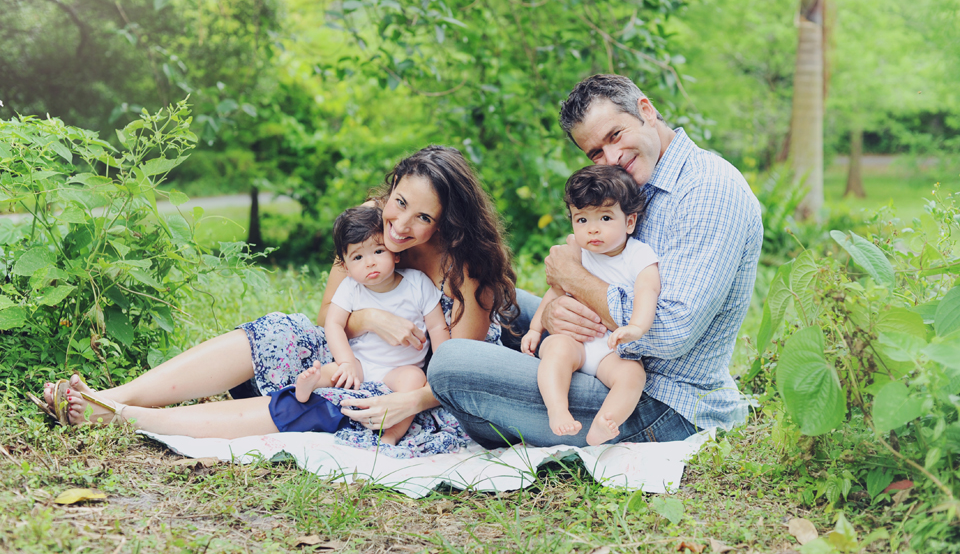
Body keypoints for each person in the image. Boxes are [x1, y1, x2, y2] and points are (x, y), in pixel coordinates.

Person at [37, 145, 518, 441]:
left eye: (423, 218)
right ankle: (111, 395)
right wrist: (370, 320)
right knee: (281, 331)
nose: (401, 225)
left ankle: (123, 417)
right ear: (390, 191)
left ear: (446, 222)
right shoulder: (369, 226)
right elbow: (331, 311)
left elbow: (461, 370)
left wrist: (404, 395)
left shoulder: (465, 268)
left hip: (415, 387)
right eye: (400, 203)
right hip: (353, 350)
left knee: (322, 399)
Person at [429, 74, 764, 448]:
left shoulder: (709, 190)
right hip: (599, 349)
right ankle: (502, 398)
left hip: (657, 400)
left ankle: (504, 412)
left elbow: (672, 333)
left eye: (615, 135)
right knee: (496, 299)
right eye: (596, 153)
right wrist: (557, 311)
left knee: (450, 363)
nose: (612, 159)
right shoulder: (634, 183)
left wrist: (575, 281)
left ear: (646, 110)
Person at [521, 165, 659, 446]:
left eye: (605, 217)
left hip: (609, 350)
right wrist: (536, 328)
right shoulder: (579, 254)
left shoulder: (639, 255)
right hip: (573, 341)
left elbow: (648, 292)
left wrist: (635, 327)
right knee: (556, 351)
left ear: (629, 222)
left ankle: (604, 422)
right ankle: (557, 409)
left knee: (632, 375)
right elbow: (554, 293)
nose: (592, 229)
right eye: (581, 219)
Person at [293, 205, 450, 445]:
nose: (370, 263)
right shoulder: (350, 288)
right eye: (358, 257)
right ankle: (306, 389)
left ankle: (393, 434)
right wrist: (346, 361)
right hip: (360, 363)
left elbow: (438, 327)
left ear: (395, 254)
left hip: (399, 369)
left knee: (414, 379)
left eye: (378, 251)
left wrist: (440, 367)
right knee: (334, 371)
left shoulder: (417, 284)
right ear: (345, 268)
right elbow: (332, 323)